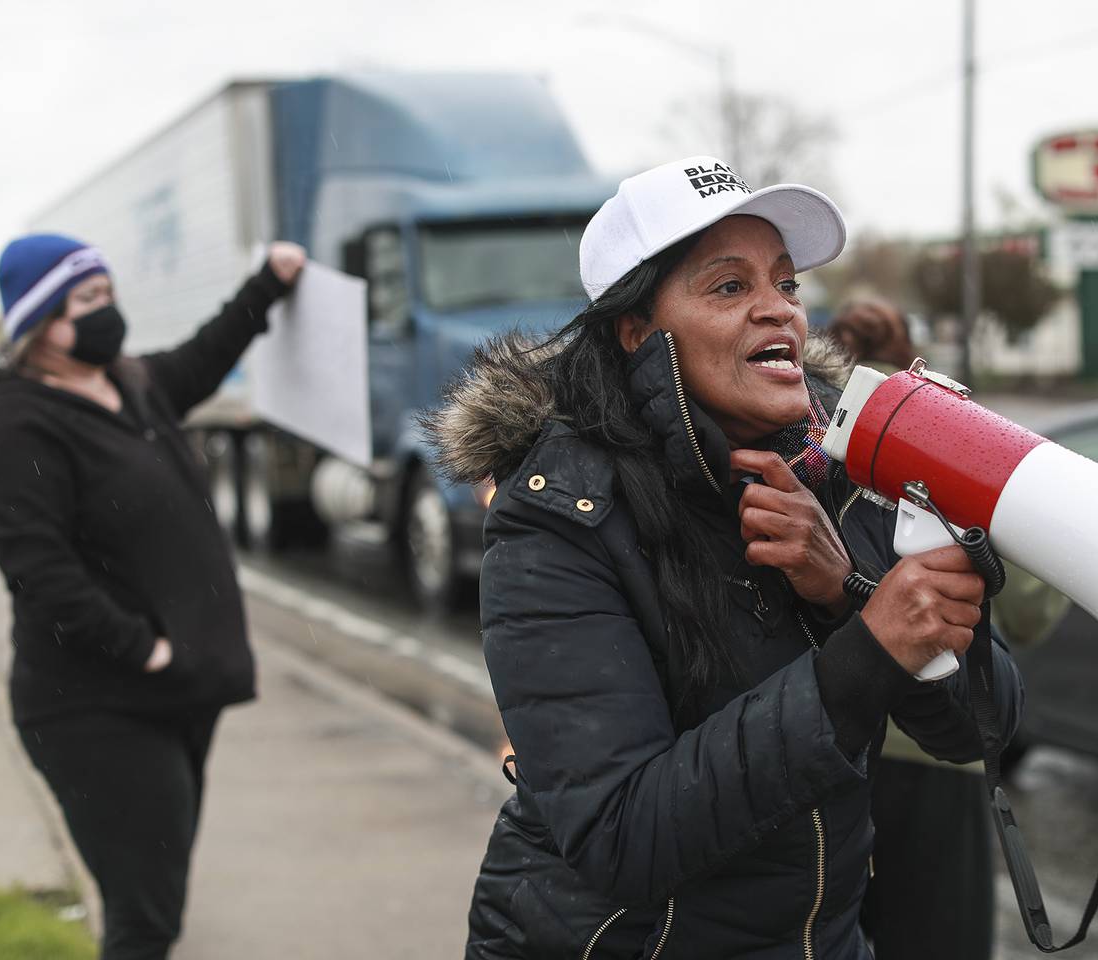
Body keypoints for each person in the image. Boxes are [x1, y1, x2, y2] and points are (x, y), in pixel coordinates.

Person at [431, 156, 1022, 959]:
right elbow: (622, 837)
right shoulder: (558, 519)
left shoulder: (838, 468)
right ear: (636, 330)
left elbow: (982, 729)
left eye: (787, 284)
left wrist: (844, 591)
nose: (778, 311)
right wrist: (865, 652)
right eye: (729, 288)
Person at [0, 233, 304, 960]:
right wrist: (143, 649)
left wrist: (266, 285)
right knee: (144, 921)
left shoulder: (130, 383)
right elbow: (39, 571)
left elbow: (203, 355)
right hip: (98, 706)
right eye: (85, 301)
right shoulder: (14, 421)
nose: (105, 312)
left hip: (177, 691)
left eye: (108, 294)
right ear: (38, 322)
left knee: (157, 902)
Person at [828, 296, 997, 960]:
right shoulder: (952, 438)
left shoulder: (807, 437)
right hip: (931, 755)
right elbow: (1036, 610)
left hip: (837, 748)